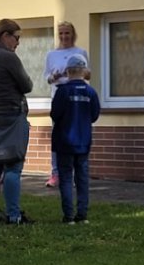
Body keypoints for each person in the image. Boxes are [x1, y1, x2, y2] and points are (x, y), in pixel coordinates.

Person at [0, 18, 34, 225]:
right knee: (13, 167)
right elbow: (27, 85)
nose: (18, 43)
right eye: (16, 38)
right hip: (12, 116)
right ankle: (13, 215)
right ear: (5, 36)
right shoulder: (8, 57)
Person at [51, 54, 101, 223]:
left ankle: (68, 216)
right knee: (82, 178)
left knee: (65, 178)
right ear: (84, 71)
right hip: (83, 142)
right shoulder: (91, 92)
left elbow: (55, 114)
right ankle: (82, 214)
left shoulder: (62, 91)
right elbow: (94, 115)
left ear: (68, 71)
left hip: (64, 142)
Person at [43, 21, 89, 188]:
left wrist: (76, 73)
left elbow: (87, 74)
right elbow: (47, 78)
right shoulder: (51, 55)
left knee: (76, 135)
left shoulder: (80, 52)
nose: (64, 36)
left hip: (76, 97)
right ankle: (56, 173)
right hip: (59, 97)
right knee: (58, 136)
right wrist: (54, 77)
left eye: (67, 33)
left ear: (73, 34)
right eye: (61, 33)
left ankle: (76, 174)